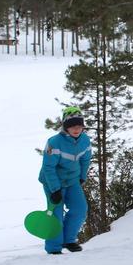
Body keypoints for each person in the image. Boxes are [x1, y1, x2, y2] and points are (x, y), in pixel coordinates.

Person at [39, 106, 93, 254]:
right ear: (65, 127)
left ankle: (68, 240)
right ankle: (54, 248)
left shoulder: (85, 141)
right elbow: (48, 168)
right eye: (71, 126)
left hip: (72, 180)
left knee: (80, 209)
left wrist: (82, 176)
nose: (76, 129)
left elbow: (85, 160)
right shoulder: (54, 142)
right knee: (56, 214)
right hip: (52, 182)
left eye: (79, 125)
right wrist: (55, 190)